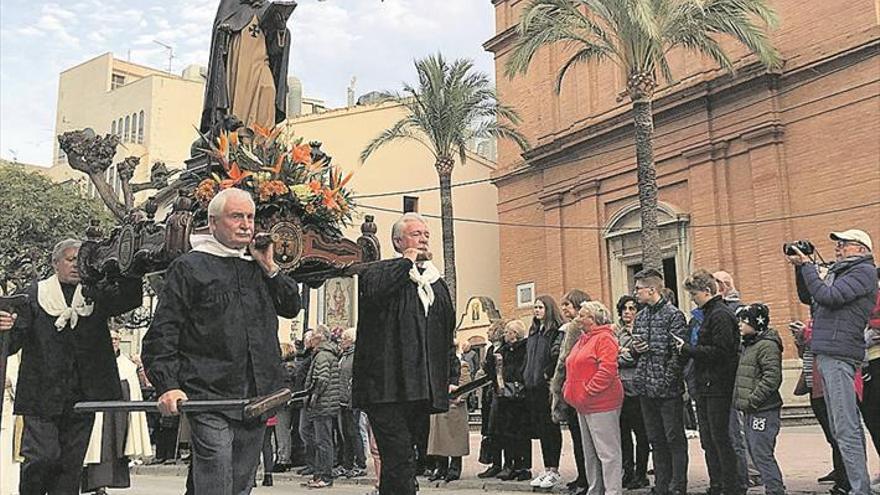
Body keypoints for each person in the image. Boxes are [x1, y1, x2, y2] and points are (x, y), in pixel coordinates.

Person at [142, 188, 302, 495]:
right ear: (213, 223)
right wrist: (167, 385)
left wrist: (269, 266)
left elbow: (292, 305)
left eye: (250, 217)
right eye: (236, 216)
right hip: (208, 395)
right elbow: (164, 332)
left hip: (257, 396)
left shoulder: (259, 266)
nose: (246, 224)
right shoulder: (190, 267)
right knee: (216, 470)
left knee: (241, 483)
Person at [0, 239, 143, 495]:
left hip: (82, 396)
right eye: (70, 259)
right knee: (41, 458)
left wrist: (131, 267)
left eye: (82, 260)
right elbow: (12, 343)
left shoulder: (95, 293)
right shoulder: (32, 295)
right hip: (41, 396)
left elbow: (128, 300)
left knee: (70, 467)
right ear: (55, 264)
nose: (77, 265)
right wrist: (5, 328)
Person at [351, 212, 456, 495]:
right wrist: (405, 262)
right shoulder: (379, 272)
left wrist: (451, 374)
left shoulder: (436, 284)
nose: (423, 239)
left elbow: (447, 334)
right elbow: (375, 293)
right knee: (398, 455)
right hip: (384, 389)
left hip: (420, 389)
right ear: (398, 241)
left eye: (426, 235)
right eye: (415, 234)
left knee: (409, 458)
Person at [788, 229, 877, 495]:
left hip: (839, 353)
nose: (838, 248)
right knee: (843, 426)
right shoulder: (842, 272)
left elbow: (828, 297)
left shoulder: (863, 272)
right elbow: (811, 297)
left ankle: (860, 489)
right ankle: (858, 486)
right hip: (829, 352)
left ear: (862, 249)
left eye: (844, 245)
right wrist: (802, 269)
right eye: (837, 245)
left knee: (846, 426)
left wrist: (808, 267)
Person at [677, 270, 742, 495]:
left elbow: (722, 351)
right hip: (706, 383)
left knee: (720, 437)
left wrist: (688, 349)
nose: (693, 298)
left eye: (694, 294)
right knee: (709, 438)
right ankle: (717, 483)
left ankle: (731, 485)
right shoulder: (710, 314)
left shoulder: (720, 315)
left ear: (707, 292)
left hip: (718, 384)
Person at [630, 268, 689, 495]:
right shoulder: (641, 316)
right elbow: (636, 351)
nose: (635, 293)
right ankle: (662, 484)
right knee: (655, 438)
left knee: (674, 437)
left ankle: (678, 485)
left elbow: (678, 353)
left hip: (668, 390)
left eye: (638, 289)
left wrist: (666, 379)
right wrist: (636, 349)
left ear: (652, 289)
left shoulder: (674, 315)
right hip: (645, 386)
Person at [200, 0, 294, 133]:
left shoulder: (267, 7)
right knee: (240, 96)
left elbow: (275, 50)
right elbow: (219, 29)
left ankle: (263, 143)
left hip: (262, 59)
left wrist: (281, 29)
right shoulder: (230, 3)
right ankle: (239, 139)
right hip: (239, 57)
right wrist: (224, 32)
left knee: (269, 89)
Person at [564, 300, 624, 495]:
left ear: (593, 318)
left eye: (582, 315)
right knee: (590, 453)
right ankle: (595, 489)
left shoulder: (605, 338)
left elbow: (607, 370)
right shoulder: (583, 339)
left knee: (607, 452)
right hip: (583, 404)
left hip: (602, 402)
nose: (578, 318)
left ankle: (612, 491)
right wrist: (569, 389)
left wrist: (588, 390)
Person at [82, 329, 153, 494]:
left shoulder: (127, 366)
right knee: (96, 448)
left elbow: (133, 391)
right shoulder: (93, 362)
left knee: (115, 449)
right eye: (110, 339)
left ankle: (105, 486)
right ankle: (95, 485)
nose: (113, 342)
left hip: (119, 416)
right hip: (98, 414)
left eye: (116, 339)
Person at [713, 270, 761, 490]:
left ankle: (748, 472)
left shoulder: (737, 311)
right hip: (732, 376)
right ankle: (748, 471)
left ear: (722, 286)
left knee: (738, 429)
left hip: (739, 375)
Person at [733, 303, 786, 495]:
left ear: (756, 323)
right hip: (752, 410)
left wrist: (752, 400)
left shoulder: (766, 345)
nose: (739, 325)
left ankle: (775, 489)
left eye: (744, 321)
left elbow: (772, 378)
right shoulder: (750, 344)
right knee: (756, 452)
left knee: (761, 452)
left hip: (763, 409)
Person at [549, 289, 591, 495]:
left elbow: (567, 360)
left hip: (579, 389)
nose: (564, 308)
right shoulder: (567, 329)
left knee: (584, 439)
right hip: (571, 389)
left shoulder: (578, 329)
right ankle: (581, 475)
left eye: (568, 304)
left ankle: (587, 478)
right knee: (576, 437)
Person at [524, 295, 566, 490]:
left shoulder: (554, 333)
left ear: (548, 309)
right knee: (541, 430)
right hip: (532, 387)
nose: (537, 311)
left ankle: (554, 469)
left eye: (540, 307)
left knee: (551, 428)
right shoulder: (533, 334)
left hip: (546, 387)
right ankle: (547, 467)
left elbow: (555, 358)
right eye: (535, 307)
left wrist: (546, 373)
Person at [615, 295, 650, 490]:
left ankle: (641, 473)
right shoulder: (617, 333)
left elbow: (637, 358)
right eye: (624, 309)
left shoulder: (641, 332)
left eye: (632, 308)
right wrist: (623, 353)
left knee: (641, 434)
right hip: (620, 391)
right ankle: (627, 471)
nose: (627, 312)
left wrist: (623, 353)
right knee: (623, 434)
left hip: (637, 389)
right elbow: (612, 357)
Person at [491, 319, 531, 482]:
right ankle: (510, 465)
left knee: (521, 433)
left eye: (507, 332)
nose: (505, 334)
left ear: (515, 334)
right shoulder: (504, 350)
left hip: (520, 397)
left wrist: (517, 381)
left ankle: (523, 467)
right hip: (505, 397)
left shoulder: (525, 348)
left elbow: (524, 368)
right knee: (507, 432)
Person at [301, 327, 341, 488]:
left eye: (315, 336)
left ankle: (325, 475)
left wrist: (313, 397)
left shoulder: (323, 355)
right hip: (325, 403)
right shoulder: (322, 354)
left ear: (322, 338)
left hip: (323, 404)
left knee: (323, 441)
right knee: (319, 440)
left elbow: (321, 380)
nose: (312, 339)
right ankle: (319, 474)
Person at [426, 352, 470, 482]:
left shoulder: (462, 365)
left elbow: (466, 384)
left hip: (454, 406)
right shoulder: (436, 365)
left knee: (455, 440)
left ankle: (455, 469)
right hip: (439, 406)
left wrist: (459, 394)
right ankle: (441, 468)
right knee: (439, 441)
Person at [477, 319, 507, 479]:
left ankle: (504, 464)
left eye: (490, 330)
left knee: (498, 428)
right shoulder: (489, 349)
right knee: (490, 428)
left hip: (500, 393)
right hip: (489, 393)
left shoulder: (503, 349)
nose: (488, 332)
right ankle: (494, 463)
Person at [337, 328, 366, 478]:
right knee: (346, 434)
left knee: (354, 432)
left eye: (344, 339)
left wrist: (351, 397)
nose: (341, 341)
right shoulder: (344, 356)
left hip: (351, 400)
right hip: (342, 399)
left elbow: (355, 378)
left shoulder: (356, 356)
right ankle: (347, 464)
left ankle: (360, 463)